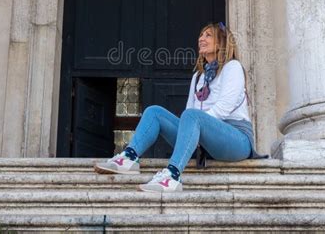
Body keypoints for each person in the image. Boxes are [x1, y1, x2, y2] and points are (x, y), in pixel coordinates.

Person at [94, 22, 264, 192]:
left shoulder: (232, 67)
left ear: (221, 43)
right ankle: (129, 158)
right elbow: (189, 114)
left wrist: (197, 128)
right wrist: (194, 132)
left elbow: (224, 107)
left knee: (192, 116)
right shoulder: (198, 76)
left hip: (236, 139)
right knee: (154, 112)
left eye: (208, 35)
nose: (201, 38)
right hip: (205, 142)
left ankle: (172, 176)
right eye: (201, 35)